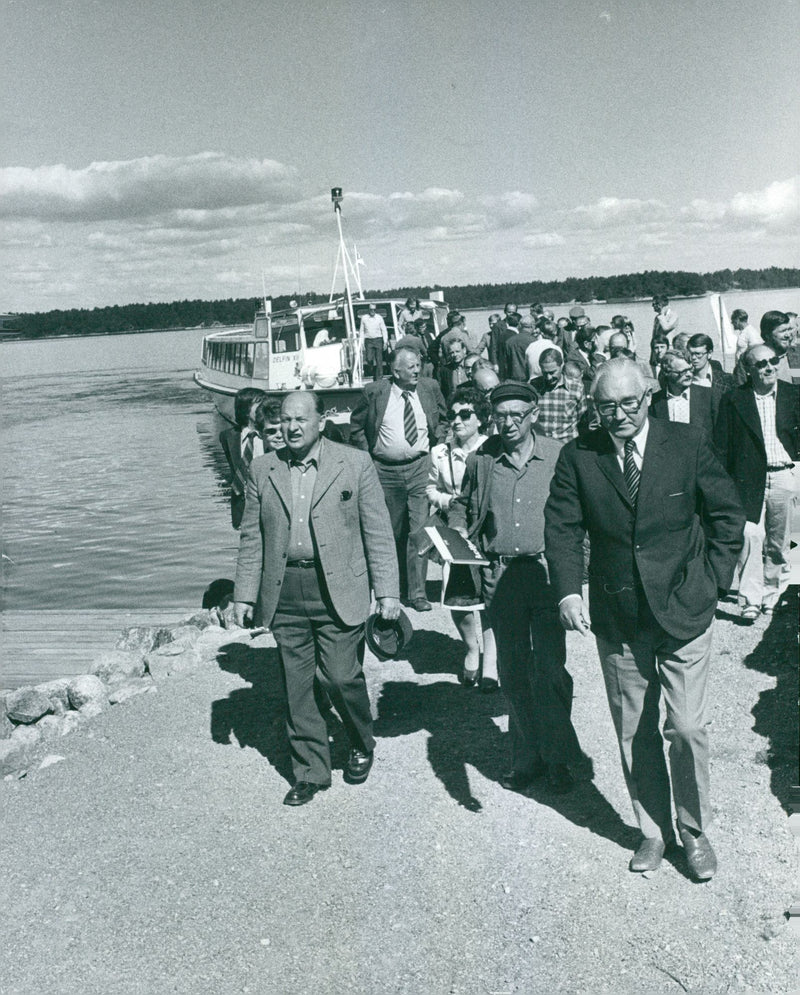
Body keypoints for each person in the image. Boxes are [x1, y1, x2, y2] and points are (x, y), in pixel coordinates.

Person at [544, 358, 745, 879]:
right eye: (605, 406)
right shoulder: (578, 456)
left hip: (685, 606)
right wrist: (568, 592)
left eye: (628, 403)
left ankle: (694, 831)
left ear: (648, 395)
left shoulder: (686, 441)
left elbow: (727, 512)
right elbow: (562, 528)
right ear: (594, 407)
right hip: (618, 615)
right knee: (634, 727)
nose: (618, 415)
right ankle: (653, 831)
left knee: (687, 727)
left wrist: (715, 580)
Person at [233, 391, 400, 806]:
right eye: (285, 420)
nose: (291, 428)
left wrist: (388, 592)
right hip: (284, 590)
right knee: (298, 684)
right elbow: (252, 537)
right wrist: (243, 594)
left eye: (300, 419)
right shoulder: (262, 468)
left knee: (342, 675)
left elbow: (377, 532)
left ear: (320, 421)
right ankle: (310, 771)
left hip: (339, 587)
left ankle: (361, 740)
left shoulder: (354, 463)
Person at [450, 382, 586, 796]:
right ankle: (526, 759)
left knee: (549, 671)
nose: (508, 423)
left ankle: (558, 758)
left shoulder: (560, 456)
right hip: (500, 579)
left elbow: (580, 515)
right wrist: (456, 530)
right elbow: (461, 503)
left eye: (517, 415)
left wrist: (577, 577)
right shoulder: (482, 460)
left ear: (534, 415)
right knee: (512, 673)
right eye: (501, 415)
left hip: (546, 577)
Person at [350, 345, 448, 611]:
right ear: (396, 371)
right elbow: (356, 427)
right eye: (412, 366)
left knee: (419, 530)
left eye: (418, 365)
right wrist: (366, 459)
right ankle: (391, 590)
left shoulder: (429, 388)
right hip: (384, 471)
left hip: (420, 468)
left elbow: (444, 419)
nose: (418, 370)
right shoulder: (375, 392)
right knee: (389, 531)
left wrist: (436, 447)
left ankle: (417, 594)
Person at [714, 344, 800, 621]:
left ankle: (772, 594)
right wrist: (725, 485)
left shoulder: (792, 394)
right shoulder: (733, 400)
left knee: (779, 541)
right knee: (750, 535)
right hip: (747, 480)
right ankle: (750, 598)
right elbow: (722, 446)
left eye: (773, 361)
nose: (769, 368)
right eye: (761, 364)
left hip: (784, 475)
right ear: (749, 369)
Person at [425, 385, 499, 691]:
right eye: (453, 415)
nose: (457, 420)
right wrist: (448, 503)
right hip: (455, 529)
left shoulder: (493, 449)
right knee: (459, 597)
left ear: (480, 418)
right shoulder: (440, 453)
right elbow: (431, 489)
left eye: (465, 414)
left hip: (487, 528)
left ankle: (492, 662)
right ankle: (471, 649)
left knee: (491, 599)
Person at [219, 387, 266, 529]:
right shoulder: (228, 437)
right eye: (259, 404)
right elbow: (236, 473)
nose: (264, 408)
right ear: (245, 409)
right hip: (244, 511)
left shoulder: (269, 436)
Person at [649, 349, 714, 437]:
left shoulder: (709, 396)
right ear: (666, 372)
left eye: (690, 369)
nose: (689, 375)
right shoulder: (655, 401)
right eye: (682, 372)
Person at [530, 348, 587, 442]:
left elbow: (582, 420)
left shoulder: (577, 388)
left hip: (567, 445)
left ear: (562, 365)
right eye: (545, 373)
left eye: (552, 372)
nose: (548, 378)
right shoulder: (533, 387)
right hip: (542, 445)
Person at [686, 333, 733, 422]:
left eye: (698, 354)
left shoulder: (728, 380)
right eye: (691, 354)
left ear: (709, 354)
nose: (693, 358)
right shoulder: (684, 380)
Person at [436, 329, 471, 403]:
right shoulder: (445, 370)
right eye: (452, 352)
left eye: (457, 351)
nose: (455, 355)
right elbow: (443, 392)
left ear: (464, 350)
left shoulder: (471, 366)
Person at [499, 314, 537, 381]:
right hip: (529, 378)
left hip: (513, 378)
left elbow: (505, 364)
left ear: (520, 325)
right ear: (533, 326)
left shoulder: (509, 341)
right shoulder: (534, 342)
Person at [358, 303, 389, 380]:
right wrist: (361, 342)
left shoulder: (379, 318)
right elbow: (361, 330)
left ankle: (379, 378)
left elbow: (384, 330)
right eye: (371, 309)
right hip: (368, 340)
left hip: (378, 339)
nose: (373, 311)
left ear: (376, 309)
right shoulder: (364, 318)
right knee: (369, 359)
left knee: (379, 360)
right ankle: (371, 370)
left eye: (374, 309)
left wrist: (385, 341)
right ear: (369, 309)